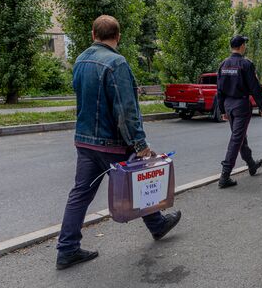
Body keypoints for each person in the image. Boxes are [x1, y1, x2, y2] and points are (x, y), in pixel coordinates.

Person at [56, 15, 181, 270]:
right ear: (118, 36)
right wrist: (140, 144)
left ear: (93, 34)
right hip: (111, 143)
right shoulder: (117, 63)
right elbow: (126, 110)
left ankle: (67, 249)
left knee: (79, 195)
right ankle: (158, 225)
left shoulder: (80, 60)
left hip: (84, 141)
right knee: (137, 184)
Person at [217, 35, 262, 188]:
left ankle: (251, 164)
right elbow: (255, 87)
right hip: (241, 105)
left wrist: (222, 109)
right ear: (241, 46)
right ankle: (225, 176)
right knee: (237, 139)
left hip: (228, 105)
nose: (245, 46)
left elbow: (219, 90)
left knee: (239, 137)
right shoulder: (246, 64)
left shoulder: (223, 64)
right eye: (245, 44)